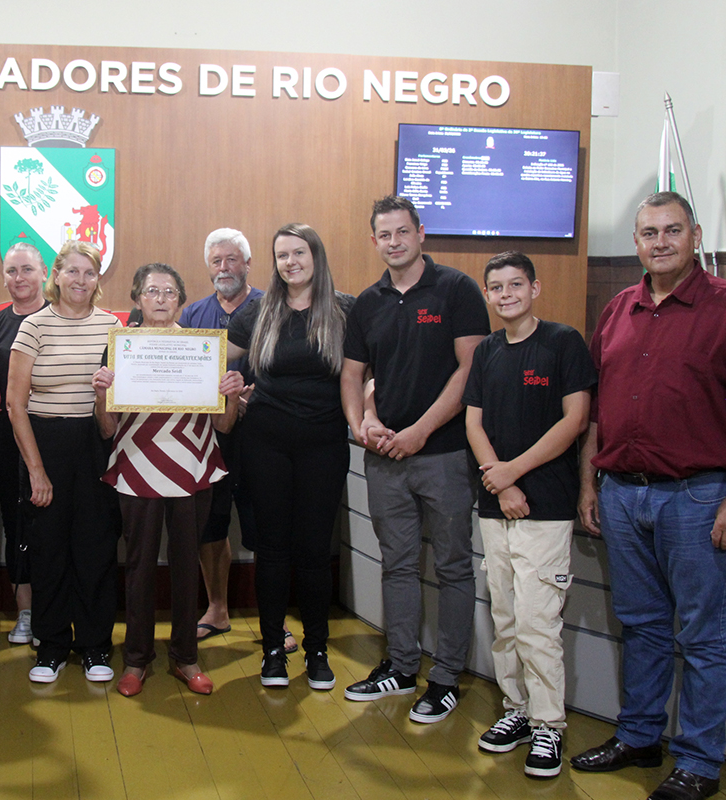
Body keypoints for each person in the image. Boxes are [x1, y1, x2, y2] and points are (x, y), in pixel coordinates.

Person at [570, 192, 726, 800]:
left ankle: (697, 762)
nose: (659, 242)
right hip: (621, 496)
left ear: (695, 235)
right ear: (637, 241)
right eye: (648, 232)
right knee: (640, 626)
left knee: (703, 636)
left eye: (672, 230)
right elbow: (595, 411)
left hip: (697, 499)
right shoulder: (618, 309)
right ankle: (639, 737)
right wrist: (589, 482)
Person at [340, 195, 489, 720]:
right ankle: (402, 667)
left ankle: (446, 677)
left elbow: (471, 368)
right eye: (385, 234)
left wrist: (421, 432)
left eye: (404, 232)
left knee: (452, 566)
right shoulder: (368, 302)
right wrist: (363, 425)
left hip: (444, 455)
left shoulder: (457, 289)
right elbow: (353, 374)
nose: (395, 242)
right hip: (384, 458)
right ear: (374, 240)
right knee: (397, 564)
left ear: (420, 233)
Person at [463, 251, 595, 778]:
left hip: (545, 506)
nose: (505, 294)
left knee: (540, 622)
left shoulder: (563, 343)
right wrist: (499, 479)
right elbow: (474, 424)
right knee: (506, 617)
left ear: (535, 288)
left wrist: (513, 473)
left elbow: (576, 419)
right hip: (495, 506)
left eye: (515, 284)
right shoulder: (489, 351)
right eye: (496, 287)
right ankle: (515, 710)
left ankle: (548, 725)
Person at [93, 263, 243, 697]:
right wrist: (101, 392)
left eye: (170, 291)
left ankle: (185, 657)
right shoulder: (121, 347)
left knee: (184, 566)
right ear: (138, 299)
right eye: (152, 291)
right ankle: (136, 660)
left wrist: (231, 394)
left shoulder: (202, 348)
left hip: (193, 467)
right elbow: (106, 429)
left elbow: (227, 426)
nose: (161, 298)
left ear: (180, 299)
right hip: (136, 467)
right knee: (139, 568)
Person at [228, 223, 355, 691]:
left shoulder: (345, 310)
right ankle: (272, 652)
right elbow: (213, 359)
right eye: (281, 255)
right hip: (266, 443)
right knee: (273, 549)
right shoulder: (257, 313)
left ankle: (318, 652)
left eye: (298, 253)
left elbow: (367, 375)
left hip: (324, 444)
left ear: (316, 256)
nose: (290, 262)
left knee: (314, 551)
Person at [7, 240, 121, 684]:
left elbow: (121, 399)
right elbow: (16, 405)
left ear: (98, 279)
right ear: (56, 276)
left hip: (97, 441)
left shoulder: (113, 326)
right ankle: (51, 646)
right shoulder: (34, 326)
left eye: (88, 273)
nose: (80, 280)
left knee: (96, 547)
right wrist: (36, 470)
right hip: (45, 444)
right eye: (71, 271)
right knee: (49, 549)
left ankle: (95, 647)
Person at [178, 228, 272, 644]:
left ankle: (275, 618)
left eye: (232, 259)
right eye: (216, 261)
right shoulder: (192, 315)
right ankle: (216, 609)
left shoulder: (273, 307)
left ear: (248, 264)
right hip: (207, 441)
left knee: (266, 525)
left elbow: (287, 365)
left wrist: (259, 395)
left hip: (262, 439)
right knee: (210, 526)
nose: (223, 268)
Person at [0, 242, 49, 646]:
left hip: (57, 439)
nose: (18, 278)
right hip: (8, 444)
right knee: (16, 523)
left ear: (44, 272)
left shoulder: (60, 318)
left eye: (26, 269)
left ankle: (53, 609)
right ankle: (25, 611)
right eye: (11, 271)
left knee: (54, 527)